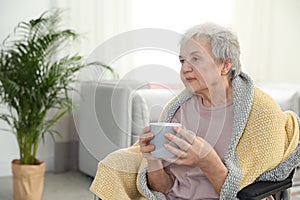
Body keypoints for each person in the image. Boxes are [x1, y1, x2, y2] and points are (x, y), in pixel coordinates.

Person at [90, 23, 300, 199]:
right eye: (182, 60)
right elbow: (164, 188)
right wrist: (152, 160)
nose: (185, 68)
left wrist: (207, 159)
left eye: (196, 59)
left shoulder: (260, 113)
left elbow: (245, 193)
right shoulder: (177, 110)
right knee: (112, 168)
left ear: (225, 65)